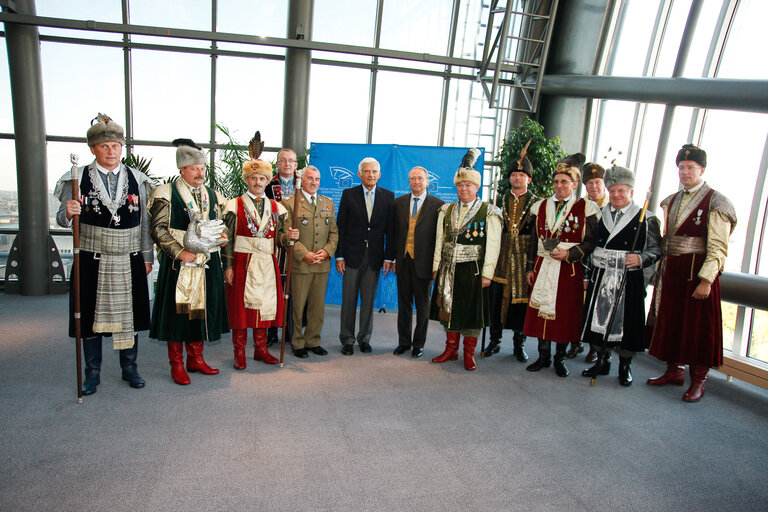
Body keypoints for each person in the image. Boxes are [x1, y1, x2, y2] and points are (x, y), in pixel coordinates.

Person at [54, 113, 153, 395]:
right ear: (93, 149)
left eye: (116, 146)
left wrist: (148, 256)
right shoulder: (76, 178)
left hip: (129, 255)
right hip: (91, 256)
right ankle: (92, 373)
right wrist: (67, 212)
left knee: (130, 315)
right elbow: (62, 218)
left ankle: (130, 368)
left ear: (122, 148)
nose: (111, 151)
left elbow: (145, 223)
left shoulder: (138, 179)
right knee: (88, 315)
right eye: (104, 146)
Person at [646, 144, 736, 402]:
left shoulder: (717, 202)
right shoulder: (672, 200)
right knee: (673, 321)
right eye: (681, 168)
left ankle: (699, 380)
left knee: (698, 328)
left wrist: (706, 279)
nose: (685, 172)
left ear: (702, 170)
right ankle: (674, 371)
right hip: (673, 271)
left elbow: (718, 246)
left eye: (690, 168)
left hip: (696, 273)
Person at [149, 139, 229, 385]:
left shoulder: (212, 195)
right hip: (179, 265)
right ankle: (177, 364)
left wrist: (223, 236)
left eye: (202, 168)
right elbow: (158, 229)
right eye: (194, 168)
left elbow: (222, 222)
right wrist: (178, 251)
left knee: (201, 312)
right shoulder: (166, 193)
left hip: (207, 263)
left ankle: (195, 358)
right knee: (178, 314)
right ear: (181, 169)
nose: (200, 172)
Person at [580, 166, 661, 386]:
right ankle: (602, 360)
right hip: (601, 274)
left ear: (631, 192)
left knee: (627, 322)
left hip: (629, 278)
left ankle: (625, 366)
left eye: (621, 191)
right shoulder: (598, 215)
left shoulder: (647, 218)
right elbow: (590, 247)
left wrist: (641, 259)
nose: (616, 195)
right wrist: (587, 274)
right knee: (600, 321)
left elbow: (656, 249)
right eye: (612, 190)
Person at [523, 153, 600, 378]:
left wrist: (569, 254)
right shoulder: (540, 206)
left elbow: (591, 241)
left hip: (569, 268)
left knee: (565, 314)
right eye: (556, 181)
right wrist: (530, 267)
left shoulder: (587, 207)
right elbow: (532, 241)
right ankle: (543, 355)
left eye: (564, 181)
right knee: (539, 313)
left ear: (574, 184)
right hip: (542, 265)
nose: (559, 185)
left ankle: (559, 357)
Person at [430, 149, 502, 371]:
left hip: (474, 270)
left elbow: (493, 245)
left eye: (468, 186)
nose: (464, 189)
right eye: (460, 186)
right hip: (448, 268)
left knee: (471, 312)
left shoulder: (489, 211)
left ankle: (469, 353)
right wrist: (436, 267)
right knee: (449, 310)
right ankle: (451, 349)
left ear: (477, 187)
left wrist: (488, 273)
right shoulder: (446, 210)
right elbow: (439, 241)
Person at [222, 158, 296, 369]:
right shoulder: (233, 205)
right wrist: (227, 266)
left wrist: (289, 238)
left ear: (267, 181)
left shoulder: (276, 207)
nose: (257, 182)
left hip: (266, 262)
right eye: (253, 178)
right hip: (242, 261)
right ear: (247, 180)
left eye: (262, 178)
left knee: (265, 306)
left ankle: (261, 349)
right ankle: (239, 352)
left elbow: (280, 238)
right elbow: (226, 238)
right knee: (241, 309)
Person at [336, 157, 395, 355]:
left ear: (380, 174)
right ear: (359, 174)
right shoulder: (348, 194)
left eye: (374, 172)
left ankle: (364, 339)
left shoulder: (388, 196)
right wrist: (339, 256)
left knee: (368, 301)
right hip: (351, 256)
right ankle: (347, 340)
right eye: (367, 171)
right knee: (349, 300)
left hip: (375, 258)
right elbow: (341, 228)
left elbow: (390, 231)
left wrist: (389, 258)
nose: (371, 175)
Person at [279, 165, 338, 358]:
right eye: (310, 179)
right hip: (301, 264)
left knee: (317, 306)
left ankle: (313, 340)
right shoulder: (290, 203)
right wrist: (304, 253)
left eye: (317, 179)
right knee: (298, 306)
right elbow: (287, 234)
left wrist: (326, 251)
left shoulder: (327, 202)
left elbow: (334, 233)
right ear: (301, 180)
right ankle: (297, 342)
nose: (314, 183)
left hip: (321, 264)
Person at [486, 151, 538, 362]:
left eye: (522, 175)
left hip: (524, 257)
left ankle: (519, 344)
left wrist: (532, 265)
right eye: (514, 175)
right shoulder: (499, 199)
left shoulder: (536, 203)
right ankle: (494, 340)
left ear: (529, 178)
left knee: (521, 304)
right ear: (509, 178)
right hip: (501, 256)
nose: (517, 178)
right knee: (497, 301)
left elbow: (536, 237)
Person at [393, 166, 445, 358]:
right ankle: (403, 342)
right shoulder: (399, 203)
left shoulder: (439, 205)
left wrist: (436, 266)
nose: (416, 182)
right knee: (403, 305)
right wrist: (392, 258)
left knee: (423, 307)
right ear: (409, 182)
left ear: (427, 181)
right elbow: (394, 234)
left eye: (420, 179)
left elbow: (440, 238)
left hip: (424, 265)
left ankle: (419, 344)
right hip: (403, 261)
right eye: (413, 179)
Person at [567, 161, 607, 363]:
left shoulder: (611, 208)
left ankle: (595, 348)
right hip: (581, 263)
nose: (594, 187)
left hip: (603, 267)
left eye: (597, 182)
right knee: (575, 306)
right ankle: (575, 342)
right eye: (589, 183)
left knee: (597, 309)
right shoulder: (578, 206)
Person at [265, 148, 298, 346]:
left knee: (294, 289)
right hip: (274, 244)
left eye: (291, 161)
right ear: (277, 164)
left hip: (297, 243)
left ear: (296, 165)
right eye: (283, 161)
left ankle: (290, 329)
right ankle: (270, 331)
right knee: (273, 287)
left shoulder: (305, 184)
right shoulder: (268, 185)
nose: (287, 164)